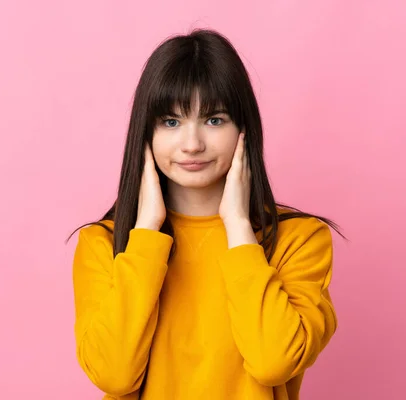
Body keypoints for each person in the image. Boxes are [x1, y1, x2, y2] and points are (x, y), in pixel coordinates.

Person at [69, 28, 342, 400]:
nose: (192, 144)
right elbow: (114, 376)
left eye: (214, 120)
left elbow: (273, 361)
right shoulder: (104, 243)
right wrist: (146, 232)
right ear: (144, 133)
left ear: (243, 129)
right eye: (171, 122)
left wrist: (239, 228)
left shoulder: (300, 240)